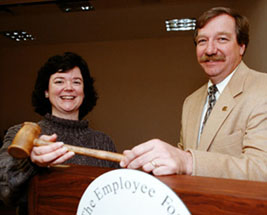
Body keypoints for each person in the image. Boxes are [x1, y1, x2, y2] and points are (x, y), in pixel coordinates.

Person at [120, 7, 267, 181]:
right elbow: (181, 162)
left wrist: (189, 162)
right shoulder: (191, 102)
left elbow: (261, 169)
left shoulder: (262, 89)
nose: (210, 50)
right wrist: (154, 164)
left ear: (241, 46)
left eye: (222, 39)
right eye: (202, 41)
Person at [0, 52, 119, 214]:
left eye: (76, 82)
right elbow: (5, 193)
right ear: (46, 92)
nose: (68, 87)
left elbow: (115, 199)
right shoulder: (20, 133)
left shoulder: (103, 142)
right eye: (59, 81)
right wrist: (32, 163)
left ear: (84, 92)